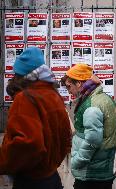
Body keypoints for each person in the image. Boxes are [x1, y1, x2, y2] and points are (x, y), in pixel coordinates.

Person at [0, 47, 72, 189]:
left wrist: (3, 163)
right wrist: (51, 164)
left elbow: (27, 143)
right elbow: (66, 138)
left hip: (31, 180)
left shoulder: (24, 99)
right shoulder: (54, 96)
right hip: (52, 178)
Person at [60, 64, 116, 189]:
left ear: (79, 83)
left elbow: (93, 140)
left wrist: (77, 162)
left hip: (91, 172)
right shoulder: (104, 98)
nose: (68, 91)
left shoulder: (91, 104)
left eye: (69, 86)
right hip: (102, 169)